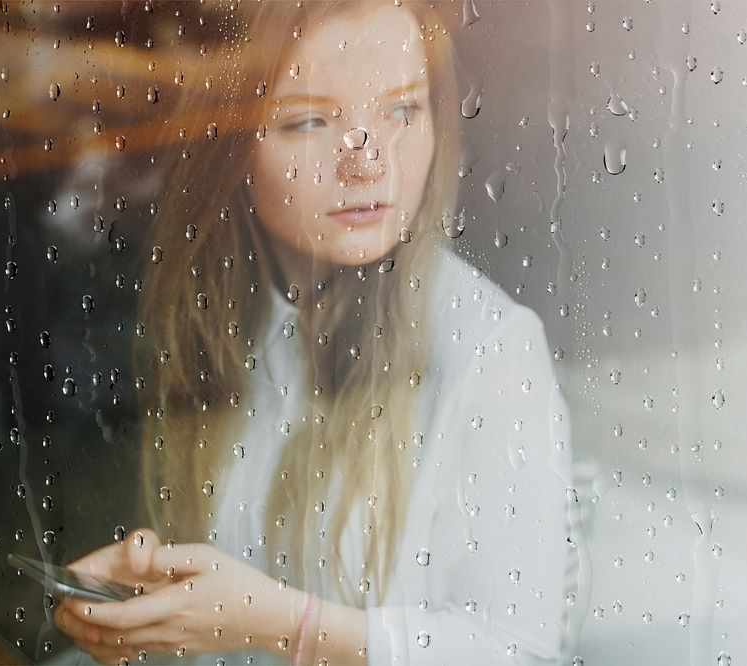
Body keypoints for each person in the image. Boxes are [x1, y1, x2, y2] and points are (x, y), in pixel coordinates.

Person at [52, 2, 572, 664]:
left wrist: (287, 626)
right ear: (227, 144)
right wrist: (156, 595)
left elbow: (521, 652)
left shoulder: (490, 349)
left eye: (402, 111)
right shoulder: (208, 311)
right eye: (308, 120)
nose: (366, 161)